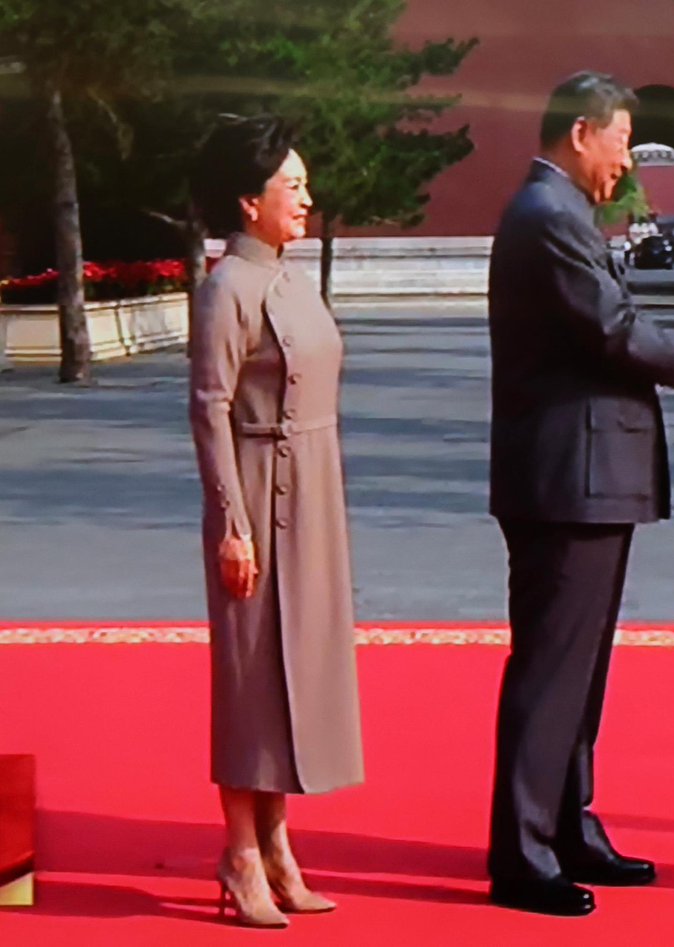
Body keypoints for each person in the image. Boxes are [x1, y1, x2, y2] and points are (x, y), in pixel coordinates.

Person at [486, 71, 674, 917]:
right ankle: (522, 849)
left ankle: (565, 821)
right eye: (622, 139)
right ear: (582, 132)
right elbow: (612, 329)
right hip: (566, 476)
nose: (626, 158)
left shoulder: (560, 214)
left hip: (583, 474)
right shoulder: (549, 217)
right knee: (553, 666)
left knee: (579, 664)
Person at [189, 114, 363, 928]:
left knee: (303, 673)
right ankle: (241, 851)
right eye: (290, 185)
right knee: (251, 675)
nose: (307, 197)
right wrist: (232, 521)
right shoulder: (227, 286)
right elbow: (209, 407)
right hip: (256, 494)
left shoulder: (295, 277)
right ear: (247, 201)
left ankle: (281, 842)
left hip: (314, 490)